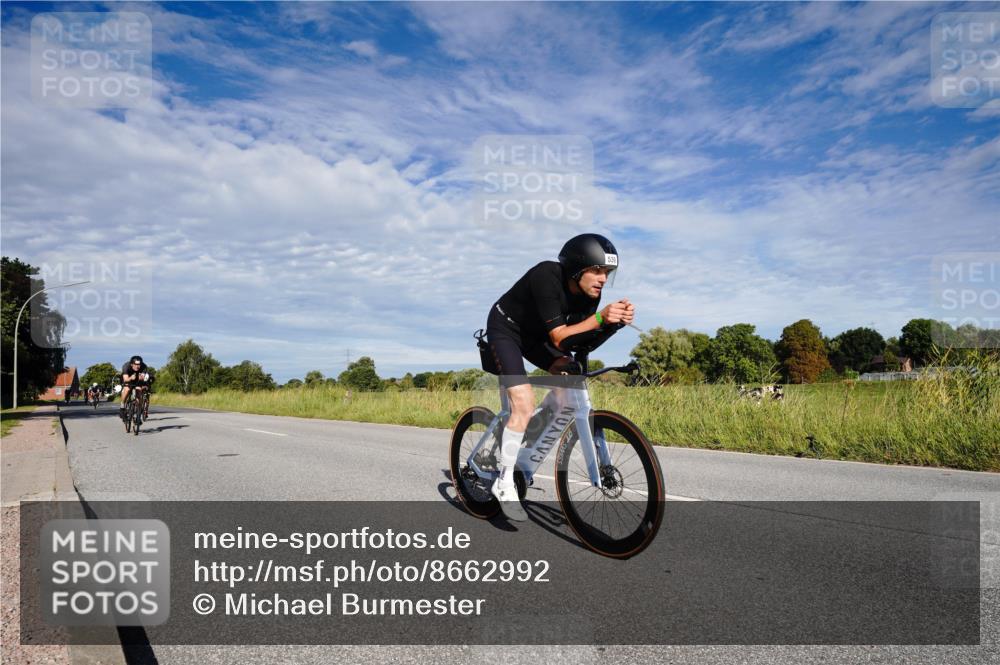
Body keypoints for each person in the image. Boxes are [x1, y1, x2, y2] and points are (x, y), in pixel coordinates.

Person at [484, 233, 634, 521]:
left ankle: (525, 430)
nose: (603, 279)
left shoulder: (591, 294)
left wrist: (614, 325)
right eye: (597, 270)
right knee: (523, 401)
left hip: (537, 337)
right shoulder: (546, 275)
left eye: (607, 273)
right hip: (507, 329)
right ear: (577, 269)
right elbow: (559, 335)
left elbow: (579, 342)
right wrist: (602, 318)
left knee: (569, 382)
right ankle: (503, 482)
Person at [119, 355, 151, 420]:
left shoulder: (144, 367)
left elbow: (142, 378)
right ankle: (122, 406)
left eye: (139, 364)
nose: (137, 366)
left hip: (137, 380)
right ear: (131, 364)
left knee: (139, 392)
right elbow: (125, 379)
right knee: (127, 389)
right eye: (135, 364)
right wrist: (131, 378)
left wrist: (141, 379)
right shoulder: (126, 366)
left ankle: (138, 414)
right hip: (128, 378)